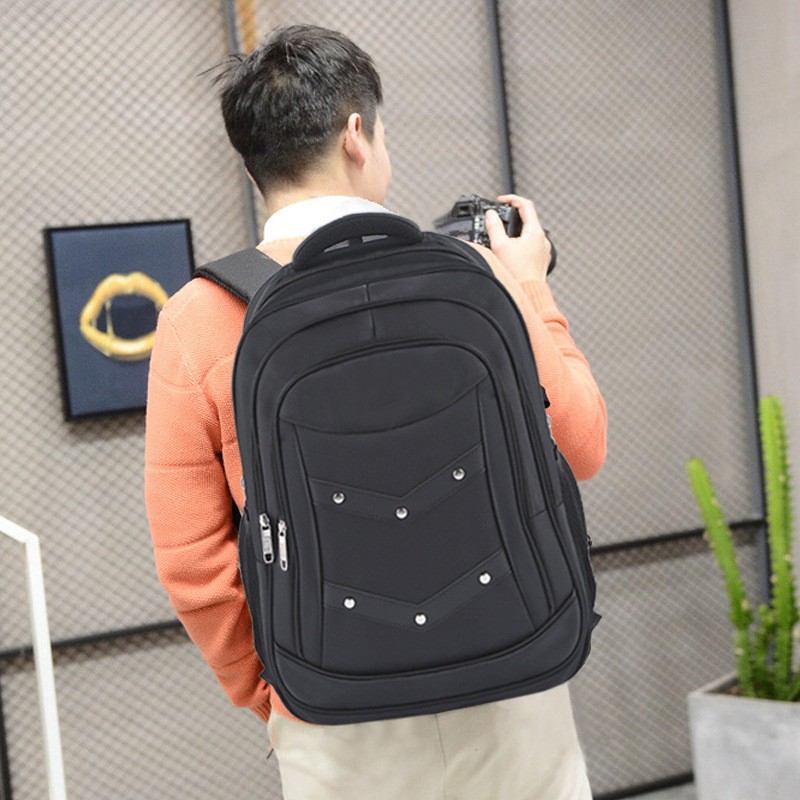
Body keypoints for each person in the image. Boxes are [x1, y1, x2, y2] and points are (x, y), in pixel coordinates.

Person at [144, 23, 606, 800]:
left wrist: (283, 691)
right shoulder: (477, 275)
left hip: (336, 717)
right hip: (511, 680)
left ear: (253, 163)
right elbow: (582, 444)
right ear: (357, 134)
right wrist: (531, 286)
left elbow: (192, 561)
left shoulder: (198, 318)